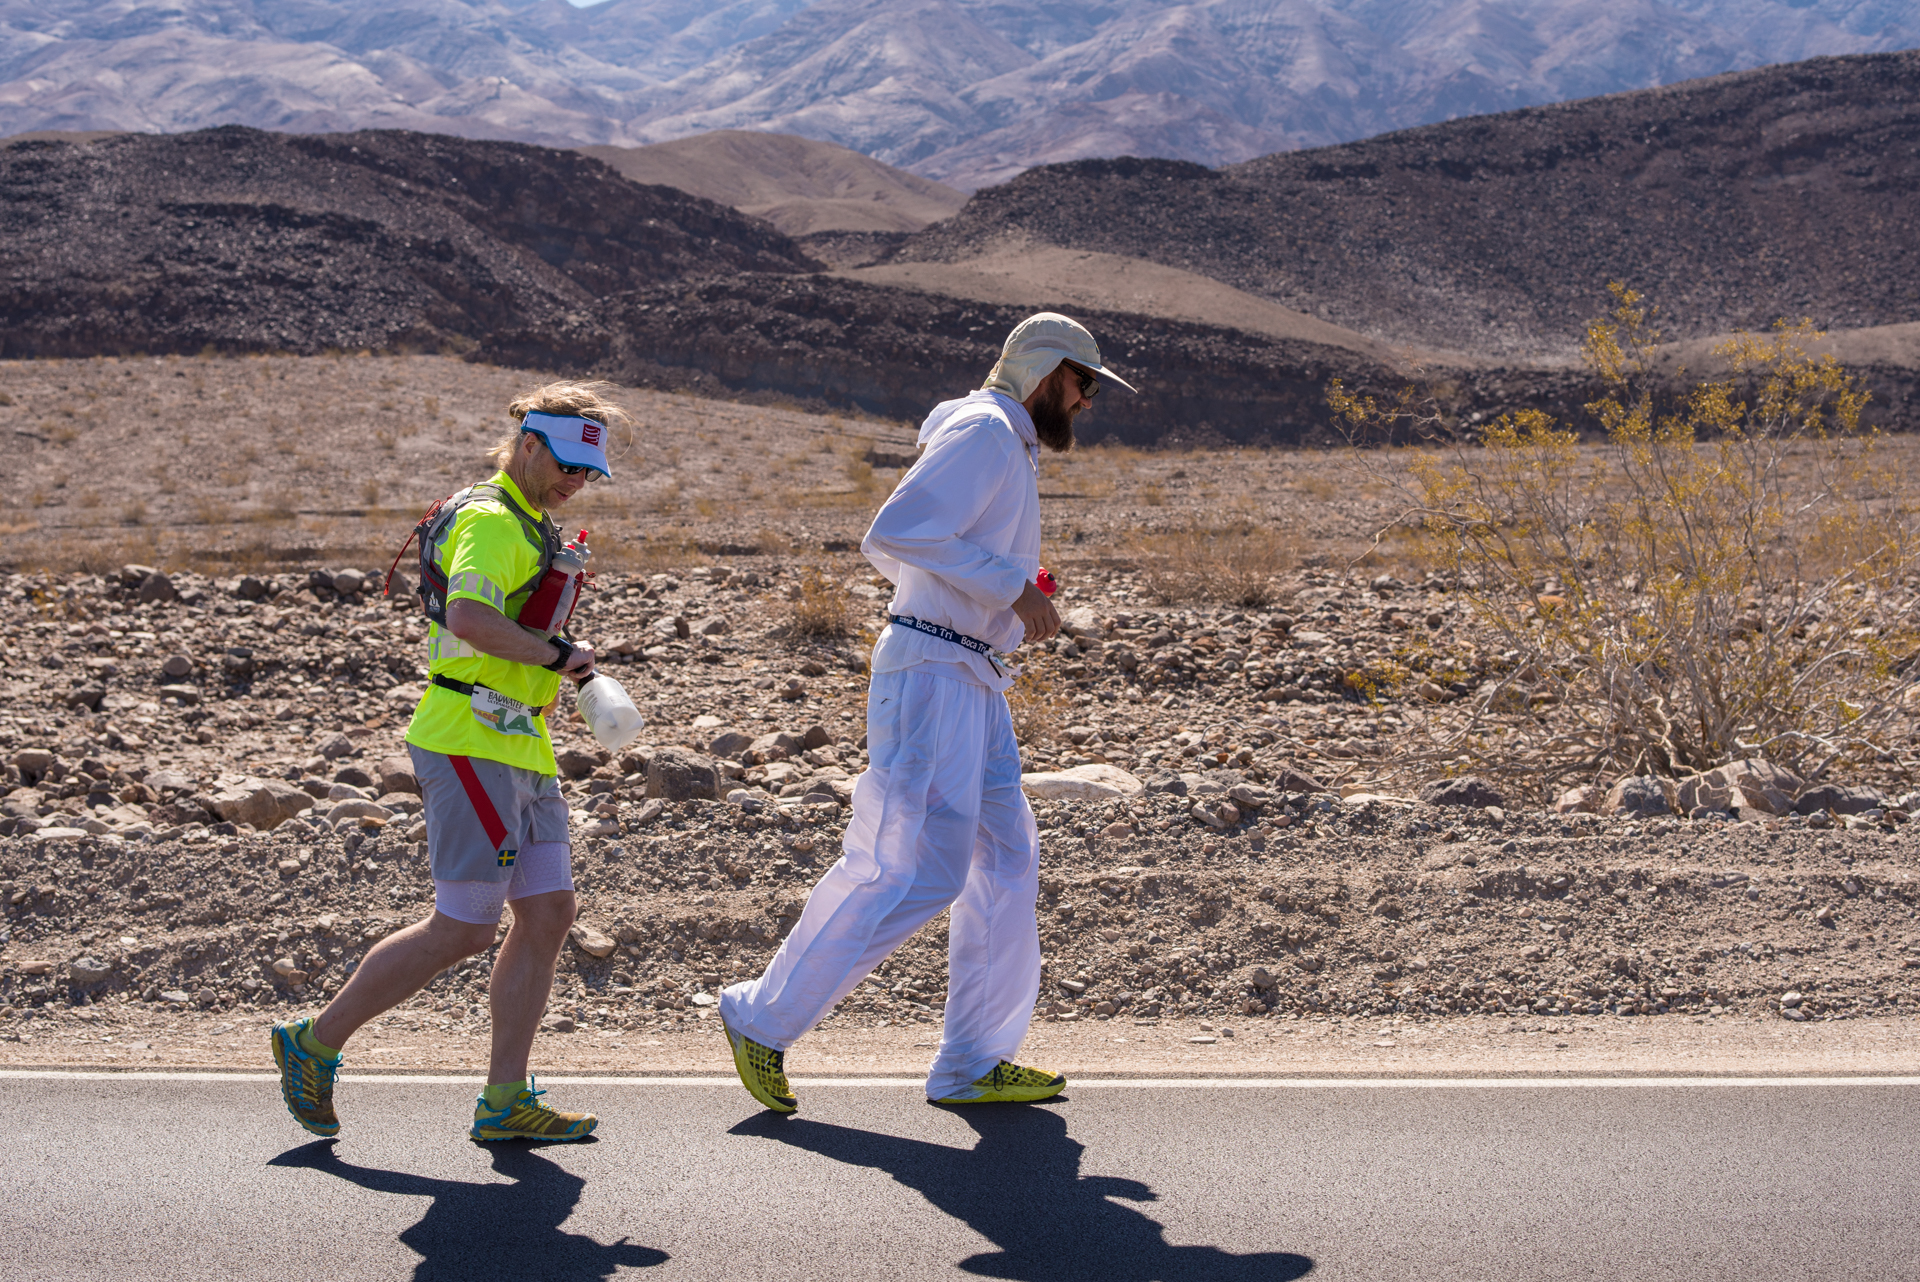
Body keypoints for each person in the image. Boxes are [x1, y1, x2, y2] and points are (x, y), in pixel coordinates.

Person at [719, 312, 1136, 1111]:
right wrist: (1004, 588)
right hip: (935, 672)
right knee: (912, 866)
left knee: (1007, 859)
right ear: (1050, 374)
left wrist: (994, 591)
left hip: (968, 673)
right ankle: (761, 1016)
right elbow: (899, 530)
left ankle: (973, 1061)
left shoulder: (999, 438)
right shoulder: (985, 429)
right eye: (1084, 384)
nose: (1087, 402)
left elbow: (910, 544)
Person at [272, 381, 626, 1142]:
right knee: (465, 927)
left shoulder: (528, 521)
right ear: (528, 444)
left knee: (549, 913)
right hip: (470, 739)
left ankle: (505, 1102)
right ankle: (313, 1042)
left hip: (516, 740)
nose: (577, 483)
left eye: (588, 473)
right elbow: (467, 617)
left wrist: (557, 672)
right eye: (567, 464)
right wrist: (564, 655)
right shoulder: (495, 520)